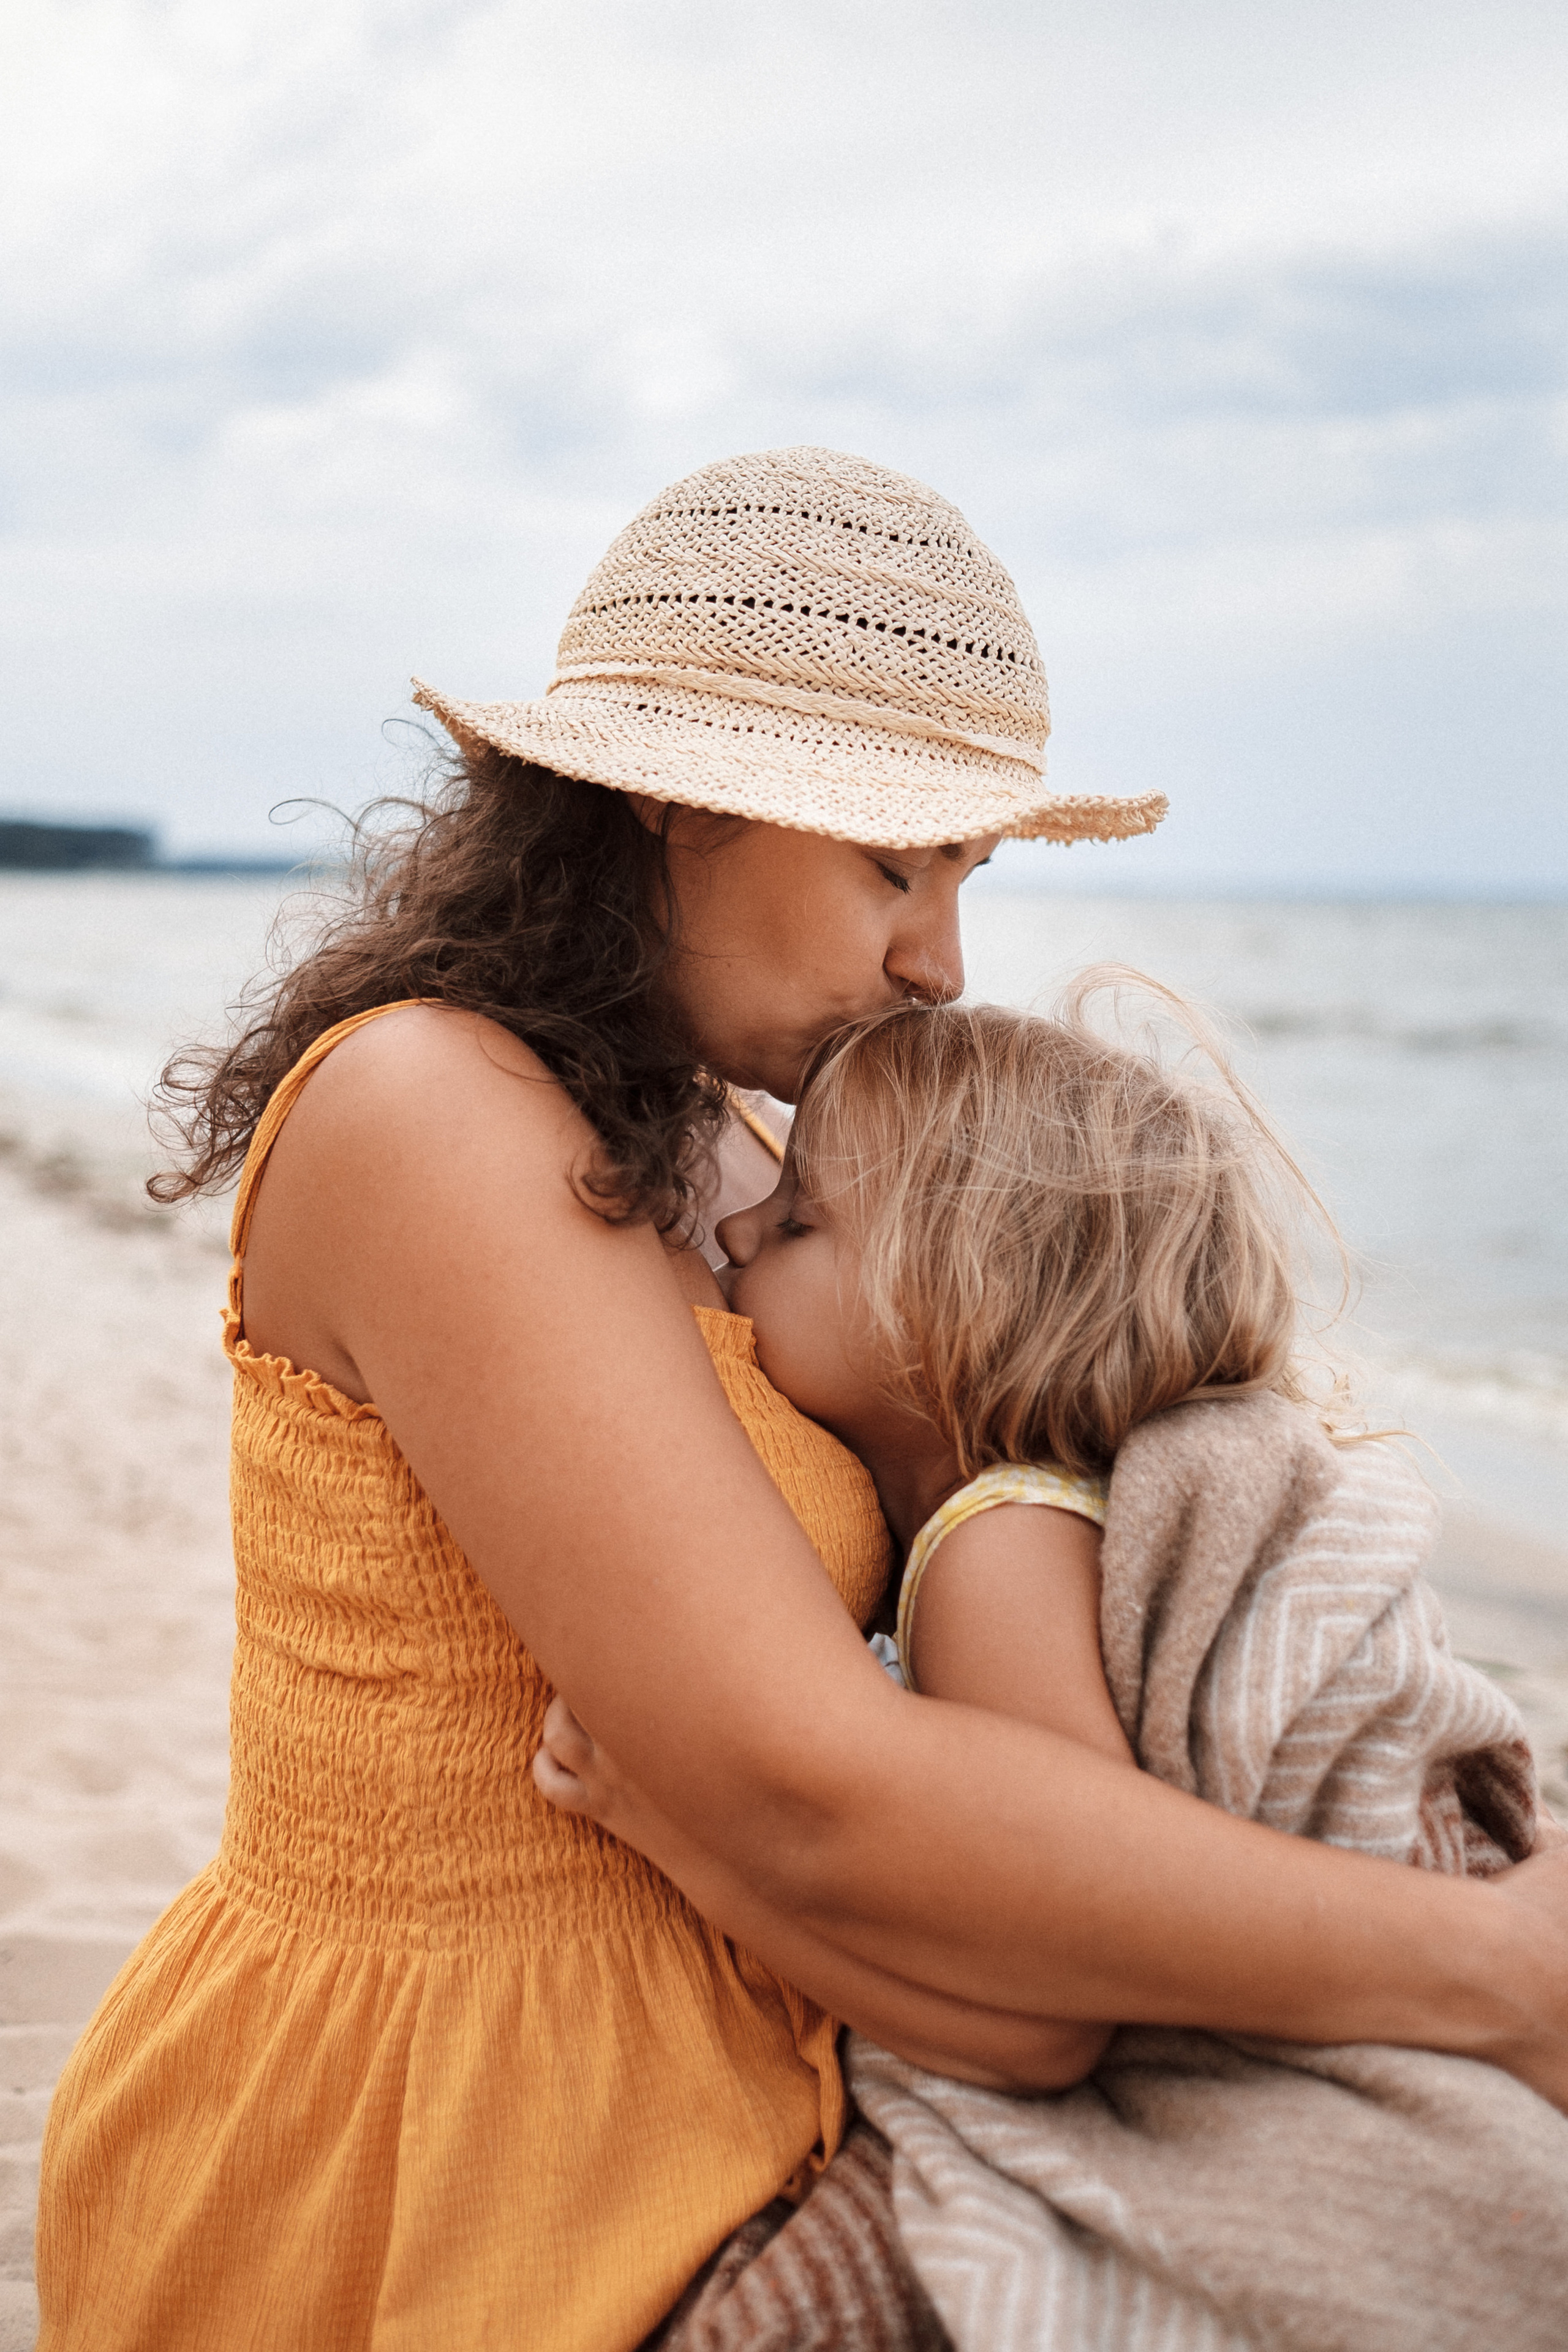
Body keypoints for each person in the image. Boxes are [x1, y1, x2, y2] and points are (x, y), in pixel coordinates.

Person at [34, 447, 1568, 2352]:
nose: (938, 960)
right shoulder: (428, 1108)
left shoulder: (735, 1159)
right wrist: (1493, 1969)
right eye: (896, 863)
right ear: (679, 798)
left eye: (964, 875)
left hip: (807, 2041)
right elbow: (803, 1776)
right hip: (458, 2133)